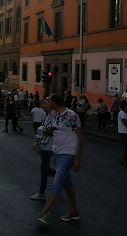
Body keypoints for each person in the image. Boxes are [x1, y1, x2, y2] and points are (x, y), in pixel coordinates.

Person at [38, 93, 82, 227]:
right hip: (56, 152)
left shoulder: (71, 115)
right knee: (66, 183)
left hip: (68, 153)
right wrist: (48, 132)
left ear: (54, 102)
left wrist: (78, 158)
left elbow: (80, 136)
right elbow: (56, 131)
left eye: (49, 101)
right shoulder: (53, 114)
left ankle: (46, 212)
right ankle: (74, 211)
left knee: (57, 181)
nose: (47, 103)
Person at [30, 97, 56, 201]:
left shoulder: (54, 116)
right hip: (45, 145)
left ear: (51, 104)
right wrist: (37, 141)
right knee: (46, 168)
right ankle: (61, 179)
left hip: (50, 146)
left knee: (44, 168)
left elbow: (49, 131)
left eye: (45, 103)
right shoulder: (47, 115)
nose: (43, 105)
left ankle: (41, 192)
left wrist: (37, 141)